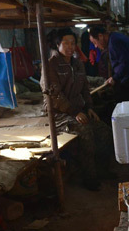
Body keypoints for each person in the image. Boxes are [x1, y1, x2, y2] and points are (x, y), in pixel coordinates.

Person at [42, 28, 115, 191]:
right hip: (59, 114)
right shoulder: (51, 66)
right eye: (66, 43)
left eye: (73, 43)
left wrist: (89, 107)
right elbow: (54, 95)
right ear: (58, 44)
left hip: (78, 110)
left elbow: (84, 89)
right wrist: (74, 112)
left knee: (105, 131)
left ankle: (102, 170)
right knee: (86, 133)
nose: (70, 47)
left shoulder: (77, 63)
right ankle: (89, 178)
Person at [89, 24, 129, 102]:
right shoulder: (115, 37)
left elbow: (125, 63)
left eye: (95, 42)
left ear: (100, 36)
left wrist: (115, 78)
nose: (95, 46)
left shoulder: (115, 41)